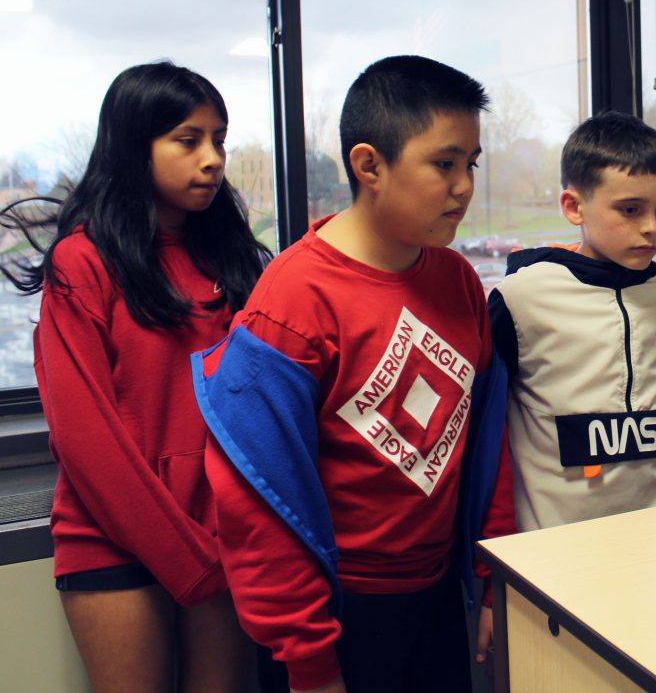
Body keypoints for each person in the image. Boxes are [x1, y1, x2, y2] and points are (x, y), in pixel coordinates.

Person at [193, 55, 515, 693]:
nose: (464, 187)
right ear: (369, 165)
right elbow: (259, 499)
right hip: (336, 616)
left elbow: (486, 444)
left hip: (436, 596)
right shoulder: (292, 301)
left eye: (471, 165)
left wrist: (490, 575)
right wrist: (310, 661)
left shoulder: (457, 281)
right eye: (444, 164)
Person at [0, 62, 268, 692]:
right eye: (187, 139)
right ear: (132, 144)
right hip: (114, 541)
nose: (212, 159)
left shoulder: (226, 256)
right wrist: (191, 564)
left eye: (219, 140)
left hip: (222, 534)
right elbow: (87, 441)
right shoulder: (83, 261)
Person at [489, 111, 656, 532]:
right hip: (558, 546)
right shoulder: (521, 298)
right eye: (630, 209)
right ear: (573, 206)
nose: (652, 228)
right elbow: (485, 432)